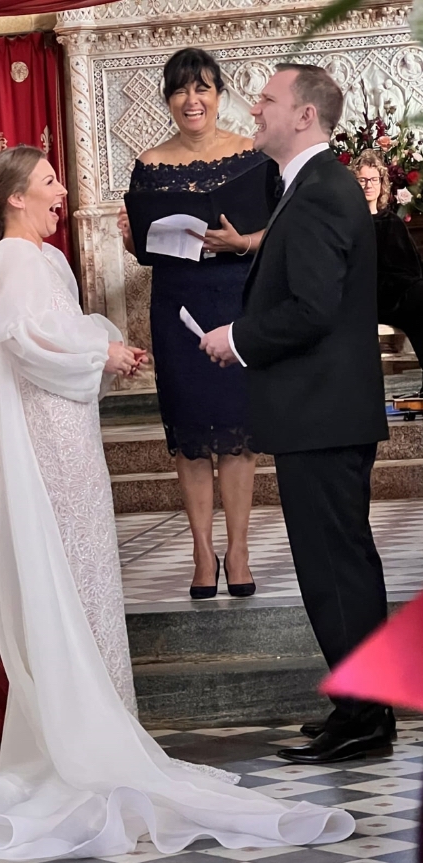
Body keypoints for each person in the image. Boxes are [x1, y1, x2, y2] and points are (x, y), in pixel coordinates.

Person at [0, 145, 354, 858]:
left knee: (89, 567)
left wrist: (104, 348)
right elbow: (32, 342)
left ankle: (105, 714)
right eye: (50, 181)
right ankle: (83, 730)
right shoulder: (7, 264)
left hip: (70, 428)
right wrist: (103, 353)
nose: (63, 191)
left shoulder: (47, 261)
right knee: (66, 564)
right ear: (15, 199)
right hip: (47, 436)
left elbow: (58, 334)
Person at [201, 65, 395, 764]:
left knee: (334, 567)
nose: (257, 109)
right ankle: (359, 706)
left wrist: (238, 338)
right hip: (325, 411)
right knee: (337, 564)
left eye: (270, 101)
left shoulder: (317, 191)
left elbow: (312, 310)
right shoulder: (313, 185)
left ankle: (366, 718)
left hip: (323, 413)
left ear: (305, 117)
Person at [118, 48, 277, 600]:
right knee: (190, 437)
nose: (193, 100)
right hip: (178, 306)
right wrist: (131, 238)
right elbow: (147, 249)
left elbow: (279, 236)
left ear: (218, 95)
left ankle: (238, 550)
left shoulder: (254, 156)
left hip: (237, 301)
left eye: (203, 88)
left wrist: (242, 242)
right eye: (182, 90)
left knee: (237, 434)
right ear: (168, 99)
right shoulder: (150, 164)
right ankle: (200, 551)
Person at [352, 148, 423, 395]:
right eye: (362, 180)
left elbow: (411, 266)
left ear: (382, 183)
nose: (368, 185)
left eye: (373, 179)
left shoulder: (391, 221)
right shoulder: (348, 224)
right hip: (370, 296)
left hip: (401, 293)